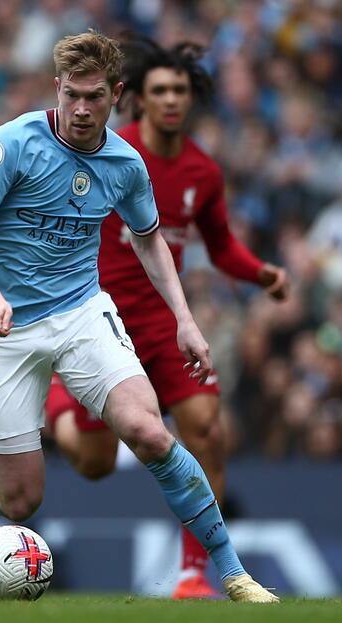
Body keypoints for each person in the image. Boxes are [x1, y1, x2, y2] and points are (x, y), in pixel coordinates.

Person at [0, 31, 277, 603]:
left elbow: (151, 242)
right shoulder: (13, 141)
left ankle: (232, 571)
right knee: (22, 502)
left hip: (80, 312)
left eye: (95, 97)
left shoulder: (125, 162)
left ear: (117, 94)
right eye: (73, 95)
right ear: (57, 89)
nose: (82, 109)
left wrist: (185, 320)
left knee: (149, 431)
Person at [45, 35, 289, 599]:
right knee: (94, 463)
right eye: (161, 90)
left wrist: (261, 274)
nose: (172, 99)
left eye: (180, 89)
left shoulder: (203, 171)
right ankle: (57, 400)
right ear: (140, 99)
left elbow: (221, 244)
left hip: (161, 323)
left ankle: (192, 575)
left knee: (206, 427)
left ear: (191, 96)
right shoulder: (109, 152)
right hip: (99, 321)